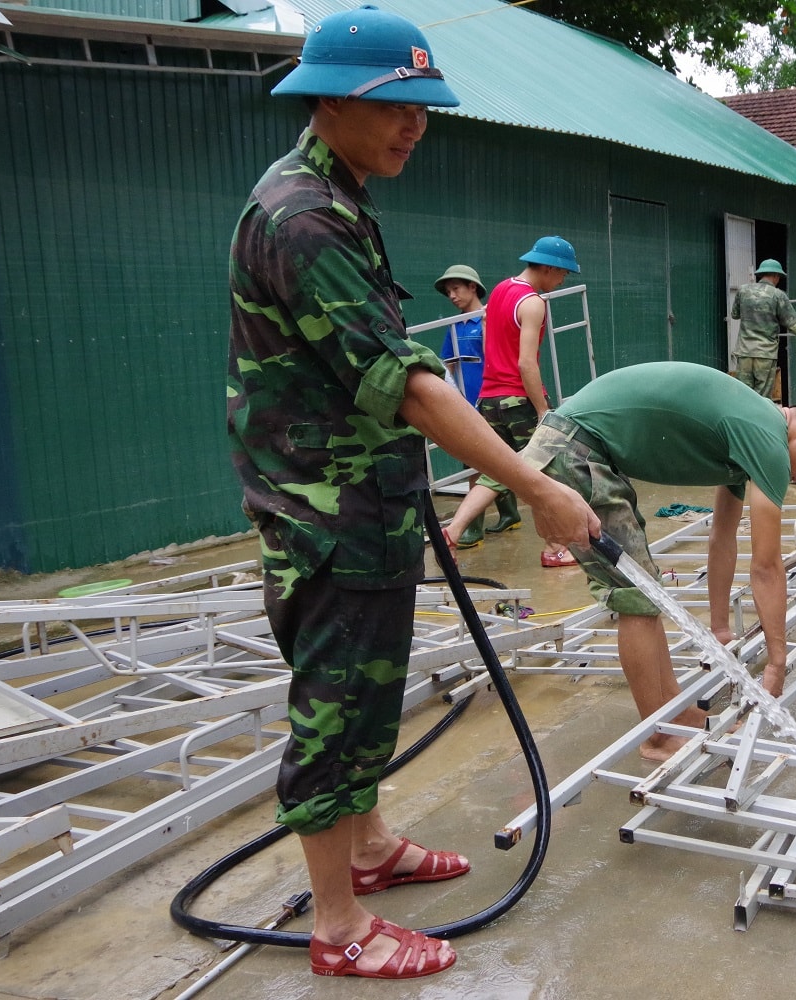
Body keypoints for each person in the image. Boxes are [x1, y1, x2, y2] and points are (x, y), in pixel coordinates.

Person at [226, 6, 597, 981]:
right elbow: (408, 382)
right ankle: (340, 925)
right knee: (334, 707)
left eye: (425, 110)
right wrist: (532, 483)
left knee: (372, 692)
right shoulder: (301, 218)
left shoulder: (341, 197)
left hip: (366, 500)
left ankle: (371, 846)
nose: (417, 126)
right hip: (323, 514)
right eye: (399, 108)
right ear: (333, 100)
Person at [450, 362, 796, 761]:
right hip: (577, 449)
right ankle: (660, 736)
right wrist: (777, 662)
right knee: (638, 595)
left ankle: (676, 715)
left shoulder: (754, 426)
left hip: (578, 443)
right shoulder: (767, 440)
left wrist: (719, 627)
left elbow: (723, 537)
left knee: (647, 593)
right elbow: (767, 567)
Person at [444, 237, 579, 568]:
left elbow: (490, 335)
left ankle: (454, 529)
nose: (563, 280)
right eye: (562, 273)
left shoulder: (502, 289)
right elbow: (526, 363)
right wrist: (544, 410)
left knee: (496, 472)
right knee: (547, 470)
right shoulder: (533, 303)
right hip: (519, 398)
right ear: (547, 267)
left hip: (489, 398)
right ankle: (556, 548)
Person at [730, 258, 796, 399]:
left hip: (744, 352)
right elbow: (794, 326)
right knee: (762, 396)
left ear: (761, 274)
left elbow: (734, 315)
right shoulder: (778, 295)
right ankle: (758, 420)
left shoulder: (743, 290)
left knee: (743, 395)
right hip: (765, 354)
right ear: (776, 276)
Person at [432, 264, 486, 405]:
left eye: (455, 289)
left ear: (472, 287)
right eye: (448, 292)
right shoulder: (454, 326)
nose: (452, 296)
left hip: (494, 401)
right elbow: (448, 366)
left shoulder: (490, 318)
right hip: (466, 404)